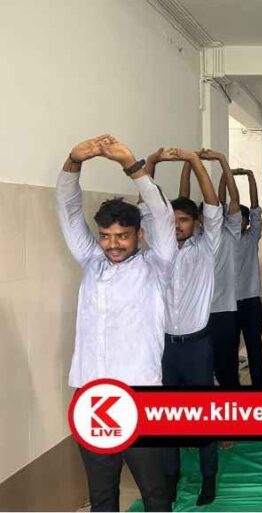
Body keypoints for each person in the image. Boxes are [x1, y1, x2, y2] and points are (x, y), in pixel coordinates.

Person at [58, 135, 174, 511]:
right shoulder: (91, 263)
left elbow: (162, 215)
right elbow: (69, 212)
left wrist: (133, 167)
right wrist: (74, 161)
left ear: (138, 235)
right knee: (102, 495)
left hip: (140, 399)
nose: (113, 244)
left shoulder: (156, 267)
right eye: (106, 237)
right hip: (91, 398)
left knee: (155, 493)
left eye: (122, 236)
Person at [140, 149, 222, 506]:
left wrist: (194, 161)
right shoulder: (156, 252)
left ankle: (208, 478)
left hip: (197, 346)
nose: (177, 226)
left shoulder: (208, 247)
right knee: (167, 416)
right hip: (164, 348)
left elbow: (213, 202)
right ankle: (170, 478)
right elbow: (145, 200)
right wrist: (152, 164)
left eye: (184, 220)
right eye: (171, 220)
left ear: (196, 223)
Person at [199, 149, 242, 388]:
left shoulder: (231, 233)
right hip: (199, 313)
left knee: (227, 366)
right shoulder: (196, 239)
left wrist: (222, 162)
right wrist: (189, 164)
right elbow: (184, 197)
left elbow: (232, 198)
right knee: (203, 366)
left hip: (224, 310)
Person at [233, 168, 262, 390]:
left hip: (252, 302)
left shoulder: (251, 237)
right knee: (229, 348)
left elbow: (255, 209)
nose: (238, 223)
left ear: (246, 222)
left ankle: (258, 388)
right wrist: (227, 176)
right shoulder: (222, 240)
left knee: (254, 347)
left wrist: (251, 176)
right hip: (227, 305)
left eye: (241, 219)